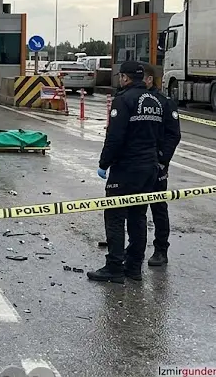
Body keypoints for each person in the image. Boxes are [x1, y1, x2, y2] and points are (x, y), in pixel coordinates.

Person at [88, 61, 165, 283]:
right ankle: (133, 268)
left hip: (127, 168)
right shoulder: (155, 101)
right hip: (148, 167)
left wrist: (104, 163)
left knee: (114, 215)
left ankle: (114, 266)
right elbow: (161, 136)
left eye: (121, 76)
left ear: (125, 78)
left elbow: (115, 137)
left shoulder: (123, 100)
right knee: (138, 216)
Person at [142, 64, 181, 267]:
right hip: (137, 163)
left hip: (157, 164)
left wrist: (162, 160)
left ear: (149, 80)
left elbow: (173, 135)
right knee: (134, 208)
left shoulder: (164, 103)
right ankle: (134, 247)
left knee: (158, 207)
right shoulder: (135, 100)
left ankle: (160, 250)